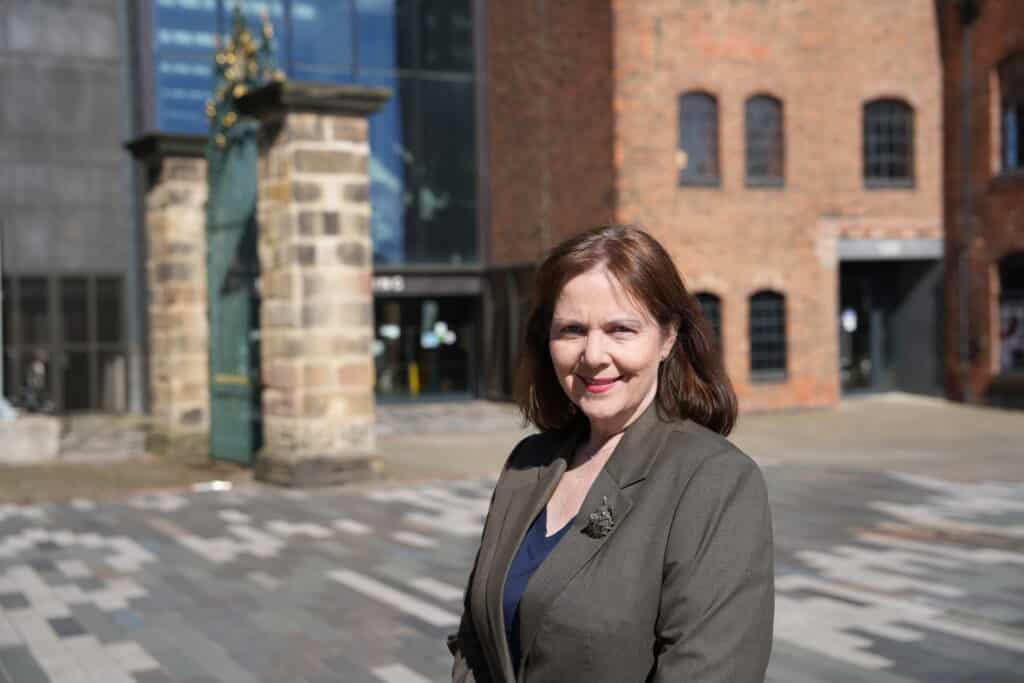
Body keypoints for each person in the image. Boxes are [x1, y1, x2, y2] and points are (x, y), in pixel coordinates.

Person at [449, 225, 774, 682]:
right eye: (572, 330)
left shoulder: (715, 482)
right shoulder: (529, 465)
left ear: (667, 338)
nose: (593, 355)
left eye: (621, 329)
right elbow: (476, 644)